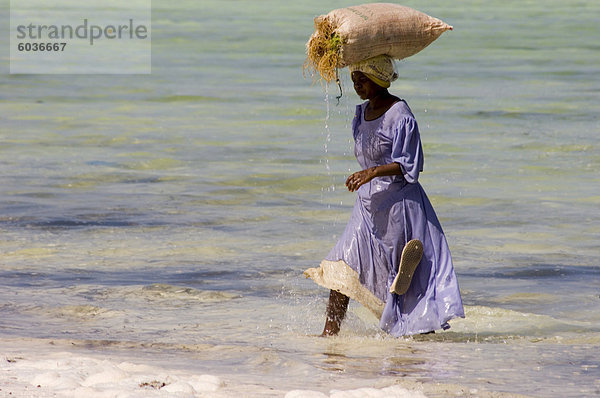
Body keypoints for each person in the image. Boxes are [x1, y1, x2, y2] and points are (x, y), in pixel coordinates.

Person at [304, 55, 464, 337]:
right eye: (354, 80)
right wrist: (368, 175)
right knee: (343, 266)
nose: (357, 86)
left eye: (362, 80)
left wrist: (372, 172)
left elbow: (410, 165)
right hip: (367, 206)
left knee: (408, 281)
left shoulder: (400, 113)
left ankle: (415, 342)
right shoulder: (361, 113)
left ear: (379, 78)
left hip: (399, 206)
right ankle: (329, 335)